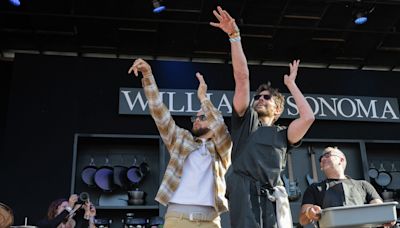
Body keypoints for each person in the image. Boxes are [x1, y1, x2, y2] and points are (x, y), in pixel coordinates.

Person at [210, 6, 315, 228]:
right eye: (258, 96)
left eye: (267, 97)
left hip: (272, 196)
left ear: (278, 109)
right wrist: (234, 37)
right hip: (243, 191)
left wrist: (291, 85)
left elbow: (307, 118)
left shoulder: (284, 134)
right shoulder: (246, 121)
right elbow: (242, 77)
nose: (259, 98)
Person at [128, 59, 232, 228]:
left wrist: (203, 98)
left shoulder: (222, 149)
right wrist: (148, 75)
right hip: (178, 218)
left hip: (211, 221)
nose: (196, 120)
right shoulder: (182, 138)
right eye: (195, 117)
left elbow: (219, 125)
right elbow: (159, 112)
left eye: (202, 117)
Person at [299, 146, 395, 228]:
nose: (323, 159)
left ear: (341, 160)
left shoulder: (363, 185)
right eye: (321, 159)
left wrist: (387, 217)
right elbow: (302, 220)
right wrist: (309, 213)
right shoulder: (314, 188)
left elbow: (378, 207)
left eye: (327, 155)